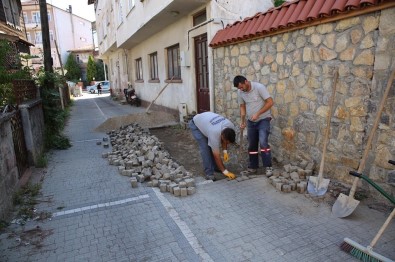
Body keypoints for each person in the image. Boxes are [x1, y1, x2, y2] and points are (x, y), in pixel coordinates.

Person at [233, 75, 274, 177]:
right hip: (251, 121)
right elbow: (242, 106)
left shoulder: (259, 88)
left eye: (241, 87)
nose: (241, 90)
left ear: (246, 81)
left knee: (263, 143)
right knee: (252, 145)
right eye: (239, 88)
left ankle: (268, 166)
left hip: (263, 119)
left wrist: (258, 113)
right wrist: (242, 121)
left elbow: (270, 102)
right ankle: (253, 167)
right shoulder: (240, 92)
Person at [189, 112, 236, 181]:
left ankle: (217, 168)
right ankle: (209, 173)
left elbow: (224, 140)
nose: (227, 144)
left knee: (212, 146)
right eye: (226, 142)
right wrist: (225, 172)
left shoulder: (230, 126)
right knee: (205, 149)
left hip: (206, 122)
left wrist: (225, 151)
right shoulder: (214, 133)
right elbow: (216, 156)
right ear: (222, 136)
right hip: (196, 125)